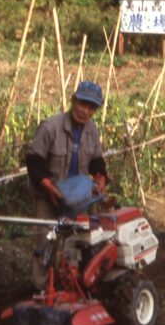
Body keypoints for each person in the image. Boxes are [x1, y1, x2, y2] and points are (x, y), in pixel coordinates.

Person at [25, 81, 110, 288]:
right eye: (82, 104)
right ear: (73, 101)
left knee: (78, 242)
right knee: (46, 242)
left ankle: (73, 286)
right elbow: (33, 161)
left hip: (76, 199)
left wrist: (101, 179)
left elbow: (97, 162)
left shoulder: (92, 131)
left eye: (91, 108)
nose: (85, 111)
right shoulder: (50, 127)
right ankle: (41, 289)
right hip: (48, 194)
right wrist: (49, 187)